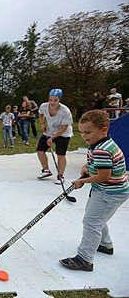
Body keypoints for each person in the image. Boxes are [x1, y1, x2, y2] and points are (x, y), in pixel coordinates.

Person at [59, 109, 128, 272]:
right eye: (81, 132)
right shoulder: (99, 144)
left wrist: (82, 181)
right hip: (107, 190)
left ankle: (85, 259)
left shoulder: (102, 149)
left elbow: (104, 175)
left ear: (103, 130)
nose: (84, 136)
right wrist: (87, 168)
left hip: (110, 192)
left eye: (88, 132)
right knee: (97, 218)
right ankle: (104, 244)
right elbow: (97, 166)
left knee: (92, 222)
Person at [37, 88, 73, 184]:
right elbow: (40, 114)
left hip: (63, 134)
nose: (52, 102)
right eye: (50, 100)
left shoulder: (65, 111)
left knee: (60, 154)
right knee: (40, 150)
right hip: (49, 131)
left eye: (55, 100)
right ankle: (46, 170)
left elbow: (64, 127)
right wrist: (42, 123)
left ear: (59, 100)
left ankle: (60, 176)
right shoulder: (44, 106)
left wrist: (52, 138)